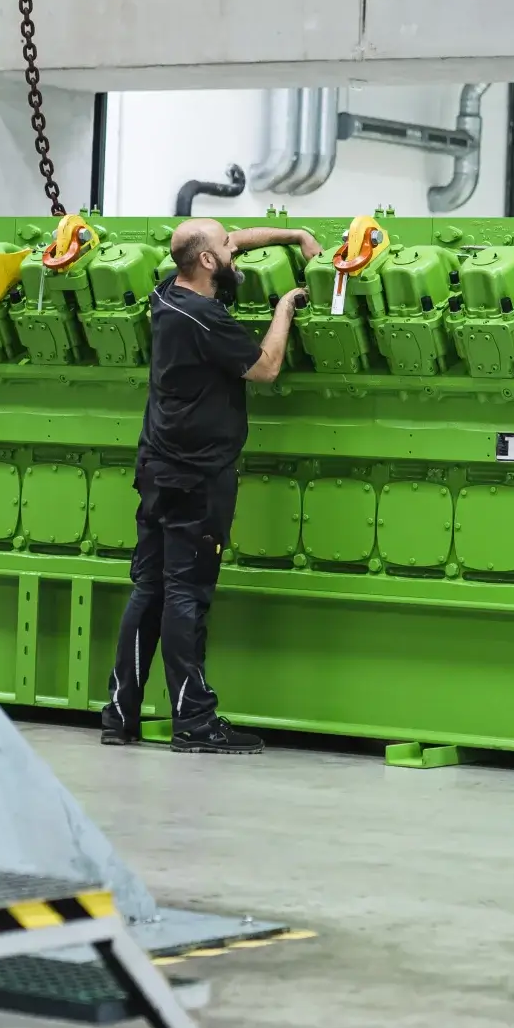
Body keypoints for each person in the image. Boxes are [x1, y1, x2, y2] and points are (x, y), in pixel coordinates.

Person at [100, 216, 316, 754]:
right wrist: (285, 309)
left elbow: (230, 241)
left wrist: (293, 236)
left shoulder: (166, 295)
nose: (234, 251)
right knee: (186, 596)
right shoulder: (204, 318)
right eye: (226, 247)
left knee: (148, 590)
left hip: (157, 470)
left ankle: (120, 714)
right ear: (206, 261)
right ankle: (194, 722)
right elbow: (266, 368)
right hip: (196, 480)